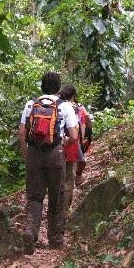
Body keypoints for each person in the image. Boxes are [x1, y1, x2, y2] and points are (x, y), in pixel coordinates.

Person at [19, 72, 78, 255]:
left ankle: (30, 231)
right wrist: (63, 143)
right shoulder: (64, 106)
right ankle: (55, 240)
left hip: (34, 155)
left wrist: (26, 154)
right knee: (57, 196)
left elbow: (22, 133)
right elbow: (74, 136)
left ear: (42, 86)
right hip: (55, 155)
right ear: (58, 88)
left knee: (35, 197)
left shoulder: (31, 104)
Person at [58, 84, 83, 212]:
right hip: (70, 145)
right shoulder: (75, 108)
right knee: (68, 178)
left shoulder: (55, 105)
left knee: (58, 178)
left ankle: (55, 209)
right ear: (73, 95)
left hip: (55, 147)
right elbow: (77, 130)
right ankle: (65, 210)